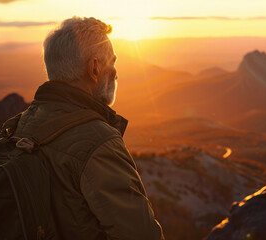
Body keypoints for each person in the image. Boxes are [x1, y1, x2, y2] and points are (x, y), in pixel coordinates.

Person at [12, 16, 164, 239]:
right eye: (112, 62)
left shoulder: (22, 124)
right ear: (94, 68)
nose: (116, 72)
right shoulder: (99, 143)